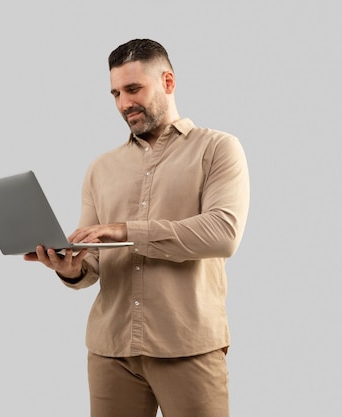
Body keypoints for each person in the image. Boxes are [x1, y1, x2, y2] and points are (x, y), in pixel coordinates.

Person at [23, 39, 250, 417]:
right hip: (111, 350)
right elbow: (92, 261)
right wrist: (72, 269)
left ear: (168, 81)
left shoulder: (218, 149)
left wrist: (126, 230)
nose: (123, 103)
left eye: (133, 89)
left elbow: (223, 233)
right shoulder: (101, 168)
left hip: (187, 347)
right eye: (115, 93)